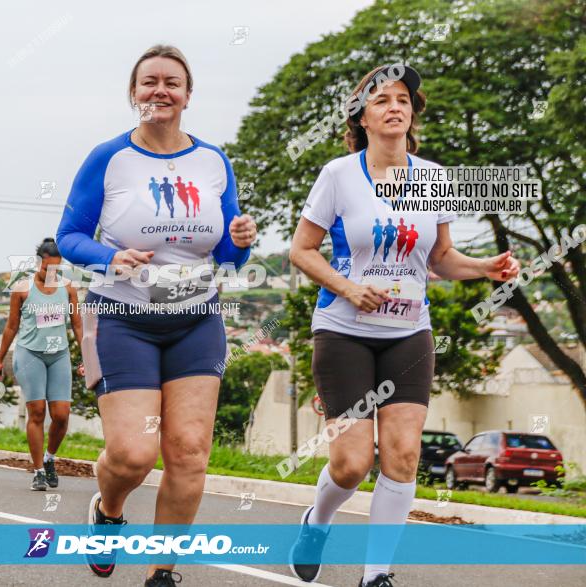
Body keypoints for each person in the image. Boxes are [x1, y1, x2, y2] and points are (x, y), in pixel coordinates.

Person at [287, 64, 520, 587]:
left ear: (411, 115)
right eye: (382, 100)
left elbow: (441, 256)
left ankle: (377, 574)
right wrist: (347, 287)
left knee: (404, 453)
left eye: (403, 100)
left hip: (409, 333)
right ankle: (316, 522)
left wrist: (485, 268)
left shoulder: (432, 177)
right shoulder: (339, 176)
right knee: (351, 464)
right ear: (363, 117)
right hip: (343, 330)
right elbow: (302, 251)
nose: (395, 106)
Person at [56, 44, 257, 587]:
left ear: (188, 95)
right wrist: (109, 256)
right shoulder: (110, 158)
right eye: (149, 82)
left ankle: (162, 572)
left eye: (172, 82)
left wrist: (241, 242)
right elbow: (68, 236)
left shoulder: (214, 161)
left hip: (196, 319)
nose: (160, 91)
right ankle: (108, 511)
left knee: (189, 451)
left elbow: (229, 255)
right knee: (133, 452)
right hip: (121, 317)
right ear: (133, 93)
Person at [0, 238, 84, 491]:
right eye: (47, 268)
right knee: (38, 413)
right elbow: (11, 326)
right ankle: (39, 470)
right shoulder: (22, 288)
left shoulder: (68, 288)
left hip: (59, 354)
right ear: (39, 263)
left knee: (62, 416)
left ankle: (50, 459)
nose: (52, 273)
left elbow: (77, 325)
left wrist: (87, 358)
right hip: (30, 354)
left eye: (57, 269)